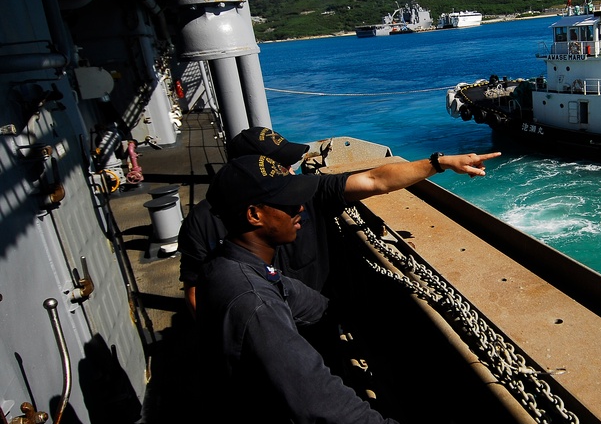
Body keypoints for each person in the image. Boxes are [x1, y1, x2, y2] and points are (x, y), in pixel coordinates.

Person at [195, 154, 421, 424]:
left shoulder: (232, 264)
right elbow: (313, 390)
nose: (300, 208)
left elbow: (310, 304)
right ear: (254, 214)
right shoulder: (253, 302)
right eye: (287, 203)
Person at [179, 126, 500, 315]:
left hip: (316, 317)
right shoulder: (202, 222)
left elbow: (375, 179)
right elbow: (195, 289)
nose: (291, 171)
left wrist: (440, 163)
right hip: (261, 323)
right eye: (281, 166)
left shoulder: (308, 191)